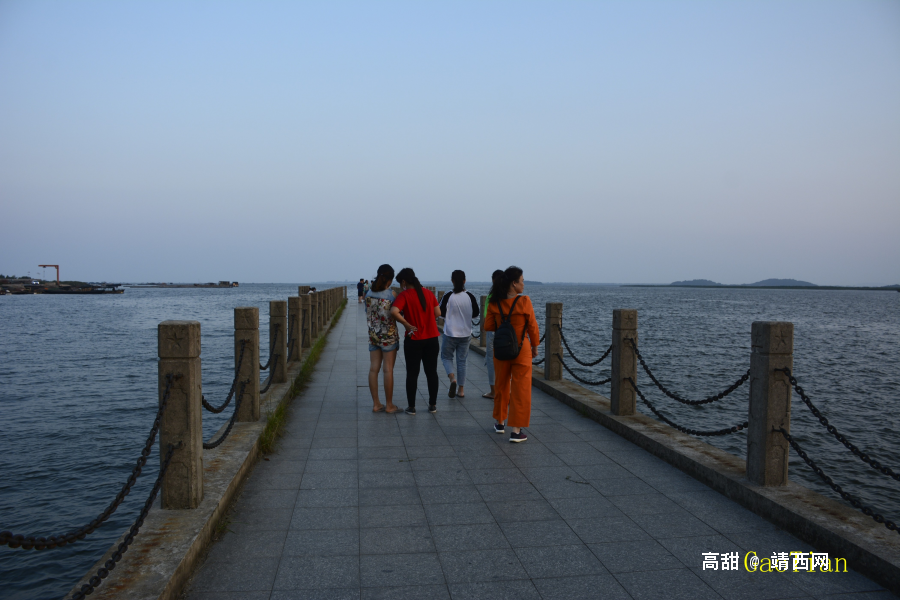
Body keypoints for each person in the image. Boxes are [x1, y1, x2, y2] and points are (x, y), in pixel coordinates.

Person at [484, 266, 539, 442]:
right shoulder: (524, 301)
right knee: (520, 388)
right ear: (514, 283)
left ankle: (500, 422)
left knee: (501, 385)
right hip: (521, 350)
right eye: (522, 281)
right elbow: (533, 327)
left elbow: (488, 326)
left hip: (501, 350)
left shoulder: (494, 303)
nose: (523, 284)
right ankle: (516, 431)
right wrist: (535, 346)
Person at [390, 267, 441, 415]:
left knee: (412, 373)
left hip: (413, 338)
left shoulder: (404, 295)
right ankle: (432, 405)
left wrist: (406, 324)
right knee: (431, 372)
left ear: (404, 281)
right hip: (432, 338)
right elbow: (438, 312)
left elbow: (394, 311)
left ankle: (411, 407)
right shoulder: (429, 293)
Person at [365, 265, 401, 413]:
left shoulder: (368, 293)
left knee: (373, 369)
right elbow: (397, 313)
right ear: (390, 279)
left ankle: (376, 404)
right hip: (388, 337)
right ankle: (389, 405)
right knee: (388, 370)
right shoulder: (391, 294)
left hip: (373, 335)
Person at [439, 270, 479, 399]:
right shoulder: (470, 296)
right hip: (465, 333)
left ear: (452, 281)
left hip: (450, 332)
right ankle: (461, 390)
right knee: (462, 361)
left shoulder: (448, 296)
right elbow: (476, 313)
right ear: (464, 281)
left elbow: (440, 313)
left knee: (446, 357)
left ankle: (452, 378)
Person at [482, 269, 504, 399]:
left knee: (491, 361)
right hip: (505, 333)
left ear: (493, 281)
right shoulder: (508, 296)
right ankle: (507, 391)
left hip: (492, 332)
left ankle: (493, 391)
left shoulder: (491, 297)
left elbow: (487, 319)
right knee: (506, 361)